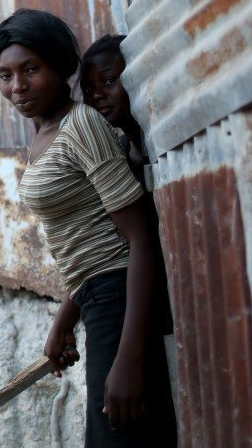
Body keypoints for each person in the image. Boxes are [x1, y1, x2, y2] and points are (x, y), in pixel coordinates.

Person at [0, 10, 176, 446]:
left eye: (31, 69)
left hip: (120, 299)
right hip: (95, 297)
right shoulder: (44, 132)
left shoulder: (81, 126)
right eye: (5, 75)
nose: (18, 87)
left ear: (59, 68)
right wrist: (65, 319)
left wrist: (129, 358)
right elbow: (84, 237)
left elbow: (138, 239)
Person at [80, 34, 173, 337]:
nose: (96, 96)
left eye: (108, 81)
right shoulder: (117, 153)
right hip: (150, 307)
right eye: (88, 89)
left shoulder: (164, 142)